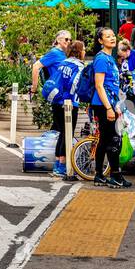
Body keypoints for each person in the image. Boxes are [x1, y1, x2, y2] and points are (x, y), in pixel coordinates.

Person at [89, 28, 129, 188]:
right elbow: (99, 85)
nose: (112, 38)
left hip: (109, 104)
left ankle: (99, 174)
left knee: (105, 139)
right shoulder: (101, 59)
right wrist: (108, 108)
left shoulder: (109, 58)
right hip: (103, 104)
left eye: (113, 36)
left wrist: (115, 106)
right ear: (100, 41)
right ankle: (115, 175)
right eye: (107, 36)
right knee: (113, 139)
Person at [45, 39, 84, 178]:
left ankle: (57, 164)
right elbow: (75, 85)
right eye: (83, 49)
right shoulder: (79, 66)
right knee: (68, 133)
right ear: (80, 52)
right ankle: (62, 165)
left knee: (62, 132)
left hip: (56, 100)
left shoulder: (63, 63)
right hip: (68, 103)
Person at [30, 30, 71, 97]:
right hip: (57, 92)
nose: (68, 41)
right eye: (66, 39)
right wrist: (34, 88)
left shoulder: (64, 54)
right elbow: (36, 66)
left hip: (64, 92)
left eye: (70, 40)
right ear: (58, 40)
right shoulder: (54, 53)